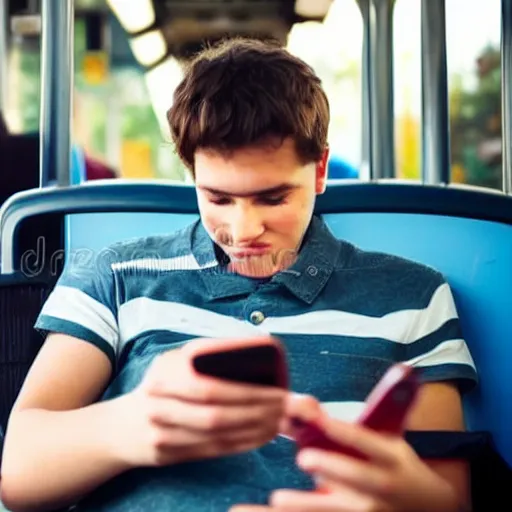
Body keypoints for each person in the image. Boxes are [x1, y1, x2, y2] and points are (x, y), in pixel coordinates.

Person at [0, 38, 477, 512]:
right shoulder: (113, 276)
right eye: (218, 199)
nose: (244, 232)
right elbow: (18, 475)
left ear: (320, 171)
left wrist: (392, 495)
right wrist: (134, 424)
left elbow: (450, 498)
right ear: (192, 175)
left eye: (273, 199)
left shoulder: (415, 296)